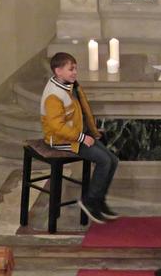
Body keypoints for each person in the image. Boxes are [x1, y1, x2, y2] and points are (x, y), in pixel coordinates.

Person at [41, 52, 120, 223]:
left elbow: (81, 111)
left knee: (113, 160)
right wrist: (82, 137)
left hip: (77, 135)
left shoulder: (70, 85)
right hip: (62, 140)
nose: (75, 72)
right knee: (104, 161)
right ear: (58, 71)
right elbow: (57, 127)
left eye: (75, 68)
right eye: (71, 69)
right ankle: (89, 201)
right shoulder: (53, 95)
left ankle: (99, 200)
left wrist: (92, 131)